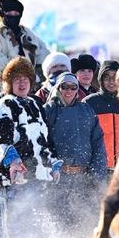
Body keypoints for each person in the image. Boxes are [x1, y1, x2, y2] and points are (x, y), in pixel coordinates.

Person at [0, 57, 62, 232]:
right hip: (12, 179)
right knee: (15, 228)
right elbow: (1, 139)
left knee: (37, 228)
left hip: (36, 176)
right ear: (9, 83)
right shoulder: (4, 105)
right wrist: (13, 162)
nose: (22, 83)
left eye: (25, 79)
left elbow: (46, 140)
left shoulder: (35, 104)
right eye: (17, 79)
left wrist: (54, 163)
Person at [44, 72, 107, 227]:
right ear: (58, 88)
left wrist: (97, 176)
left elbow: (98, 143)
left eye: (73, 87)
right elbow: (42, 144)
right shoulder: (48, 110)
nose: (68, 91)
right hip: (58, 178)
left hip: (83, 177)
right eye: (64, 86)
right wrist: (46, 170)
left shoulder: (86, 111)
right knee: (59, 222)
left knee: (83, 221)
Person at [0, 0, 49, 100]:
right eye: (9, 13)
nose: (13, 15)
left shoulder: (28, 34)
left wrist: (38, 76)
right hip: (2, 86)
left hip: (32, 85)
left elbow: (44, 55)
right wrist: (18, 78)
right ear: (2, 14)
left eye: (16, 13)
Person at [83, 60, 119, 170]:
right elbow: (83, 137)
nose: (111, 81)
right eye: (106, 77)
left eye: (115, 77)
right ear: (101, 79)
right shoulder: (90, 102)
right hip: (98, 168)